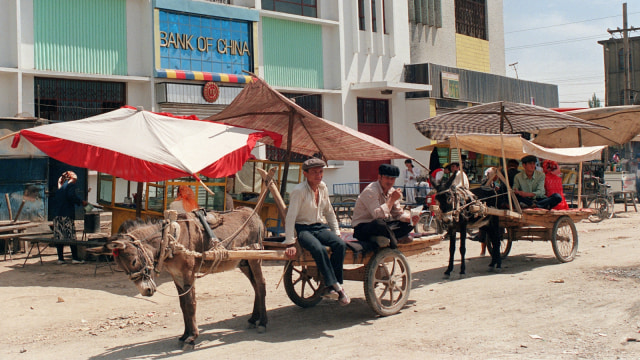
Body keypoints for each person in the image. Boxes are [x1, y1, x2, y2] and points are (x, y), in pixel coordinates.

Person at [283, 158, 350, 306]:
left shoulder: (323, 187)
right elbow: (290, 217)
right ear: (305, 174)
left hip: (319, 227)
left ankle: (333, 285)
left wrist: (336, 231)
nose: (318, 175)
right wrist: (290, 242)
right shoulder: (298, 191)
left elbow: (329, 211)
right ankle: (336, 287)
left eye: (320, 172)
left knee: (340, 245)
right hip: (303, 228)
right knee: (318, 249)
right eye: (314, 173)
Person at [352, 164, 414, 249]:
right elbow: (377, 215)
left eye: (392, 179)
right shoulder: (371, 191)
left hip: (383, 228)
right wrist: (392, 199)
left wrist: (410, 218)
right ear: (380, 177)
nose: (390, 181)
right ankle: (394, 240)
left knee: (410, 223)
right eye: (387, 178)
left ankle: (387, 238)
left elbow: (398, 214)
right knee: (379, 223)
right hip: (364, 227)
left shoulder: (392, 191)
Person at [52, 171, 88, 265]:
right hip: (67, 214)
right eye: (75, 180)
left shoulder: (60, 186)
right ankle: (75, 258)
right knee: (71, 236)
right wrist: (81, 202)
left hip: (57, 215)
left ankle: (60, 258)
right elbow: (71, 196)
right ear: (72, 179)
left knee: (59, 236)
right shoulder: (70, 185)